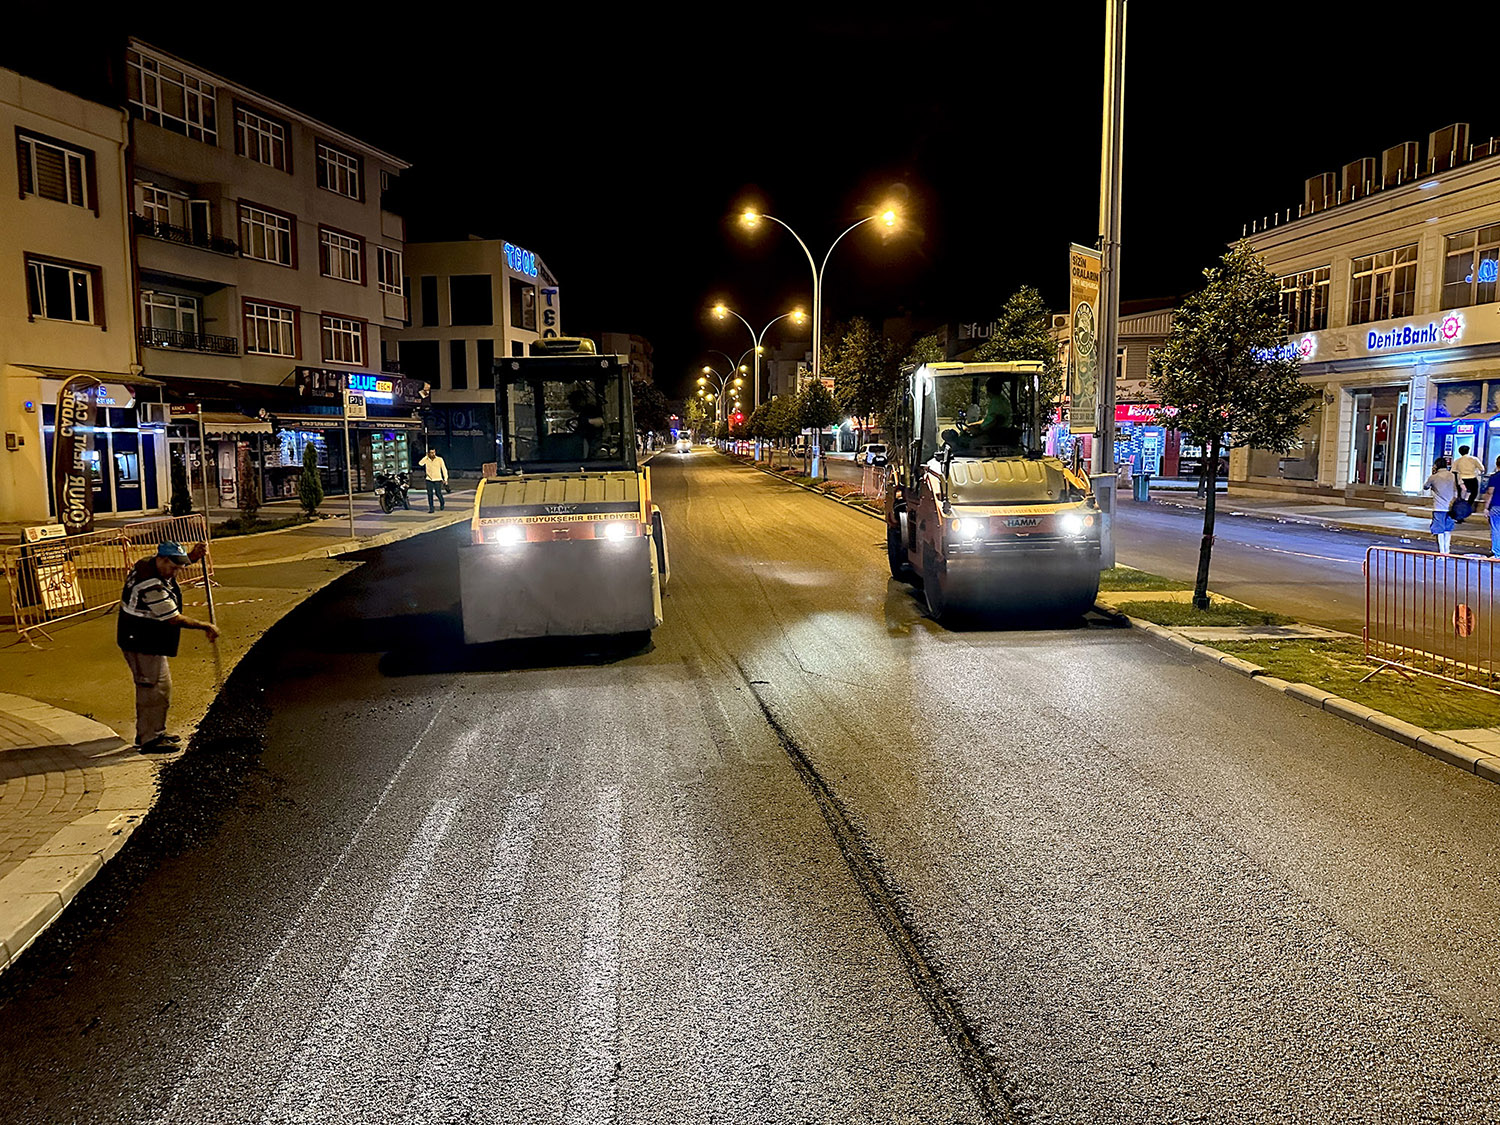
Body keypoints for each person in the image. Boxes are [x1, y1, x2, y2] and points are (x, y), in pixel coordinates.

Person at [117, 542, 219, 752]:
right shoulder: (151, 585)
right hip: (140, 639)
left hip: (146, 637)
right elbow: (173, 618)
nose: (175, 573)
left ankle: (154, 731)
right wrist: (205, 626)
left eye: (178, 568)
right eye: (173, 568)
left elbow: (175, 564)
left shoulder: (148, 563)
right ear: (162, 560)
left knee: (159, 687)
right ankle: (150, 740)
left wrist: (192, 556)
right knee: (152, 689)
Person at [1423, 456, 1460, 554]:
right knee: (1448, 530)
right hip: (1451, 506)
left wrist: (1432, 473)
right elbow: (1457, 488)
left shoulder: (1433, 477)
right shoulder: (1452, 476)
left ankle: (1442, 552)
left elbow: (1425, 487)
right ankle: (1447, 551)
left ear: (1436, 466)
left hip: (1439, 507)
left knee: (1439, 530)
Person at [422, 448, 449, 512]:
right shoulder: (426, 460)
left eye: (433, 452)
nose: (433, 454)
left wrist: (445, 478)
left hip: (437, 479)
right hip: (429, 479)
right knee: (430, 494)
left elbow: (444, 469)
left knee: (438, 493)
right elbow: (420, 463)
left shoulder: (439, 459)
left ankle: (442, 502)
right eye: (431, 453)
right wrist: (426, 457)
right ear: (428, 453)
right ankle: (431, 508)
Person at [1485, 456, 1500, 558]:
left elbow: (1490, 493)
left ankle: (1497, 553)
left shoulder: (1494, 477)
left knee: (1496, 530)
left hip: (1496, 506)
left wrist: (1486, 507)